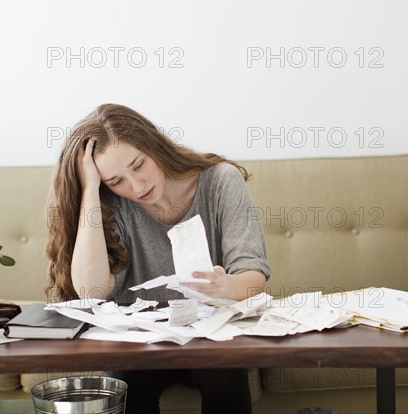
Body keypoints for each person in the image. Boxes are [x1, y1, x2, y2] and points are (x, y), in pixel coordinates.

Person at [46, 103, 270, 414]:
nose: (136, 187)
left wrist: (224, 286)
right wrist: (91, 190)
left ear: (154, 144)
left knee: (223, 371)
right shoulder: (112, 205)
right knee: (128, 379)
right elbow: (90, 290)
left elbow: (253, 280)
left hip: (211, 338)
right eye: (116, 180)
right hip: (140, 344)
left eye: (138, 165)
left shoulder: (220, 181)